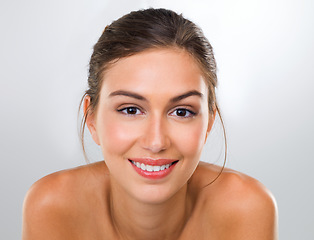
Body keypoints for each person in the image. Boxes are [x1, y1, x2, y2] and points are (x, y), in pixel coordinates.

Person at [22, 8, 278, 240]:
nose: (156, 142)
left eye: (181, 112)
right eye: (131, 110)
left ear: (209, 121)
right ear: (91, 118)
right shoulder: (52, 207)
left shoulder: (246, 209)